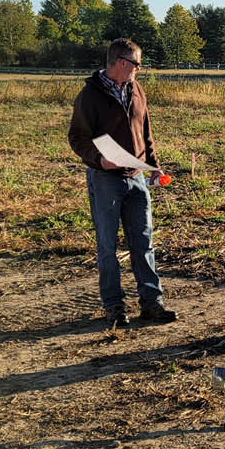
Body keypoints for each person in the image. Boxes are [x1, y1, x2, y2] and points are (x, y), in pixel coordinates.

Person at [68, 38, 175, 327]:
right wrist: (99, 160)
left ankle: (152, 304)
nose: (139, 70)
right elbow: (77, 138)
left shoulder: (136, 89)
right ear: (121, 63)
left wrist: (152, 164)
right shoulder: (89, 96)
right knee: (107, 246)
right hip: (106, 179)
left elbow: (145, 130)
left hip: (137, 177)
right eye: (136, 64)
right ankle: (114, 307)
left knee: (143, 242)